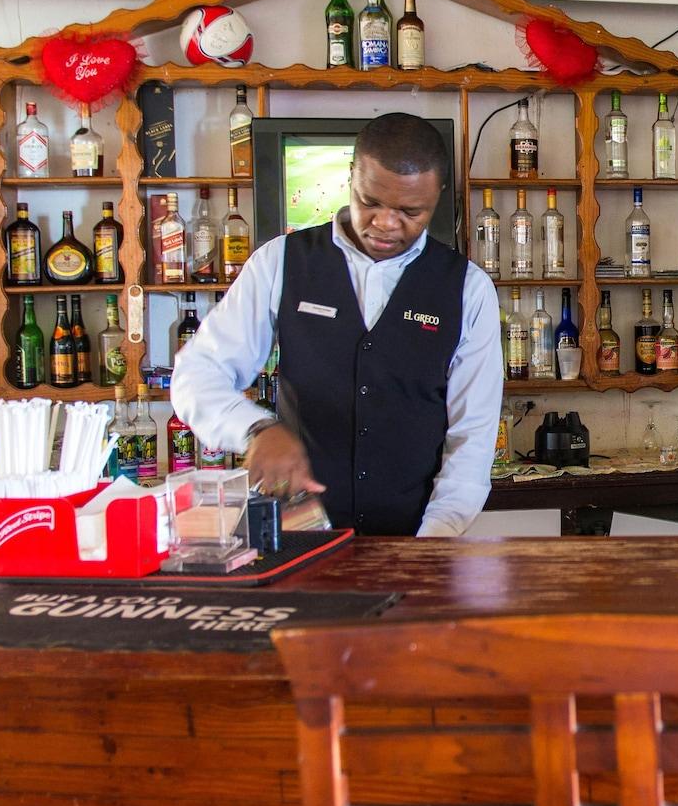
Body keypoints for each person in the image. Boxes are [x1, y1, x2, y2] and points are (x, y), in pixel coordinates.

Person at [172, 113, 501, 537]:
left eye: (410, 211)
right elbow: (196, 374)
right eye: (371, 202)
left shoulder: (467, 288)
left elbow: (471, 439)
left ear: (436, 196)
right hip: (298, 535)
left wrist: (432, 544)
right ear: (351, 177)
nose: (385, 223)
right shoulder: (281, 261)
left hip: (418, 536)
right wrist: (255, 429)